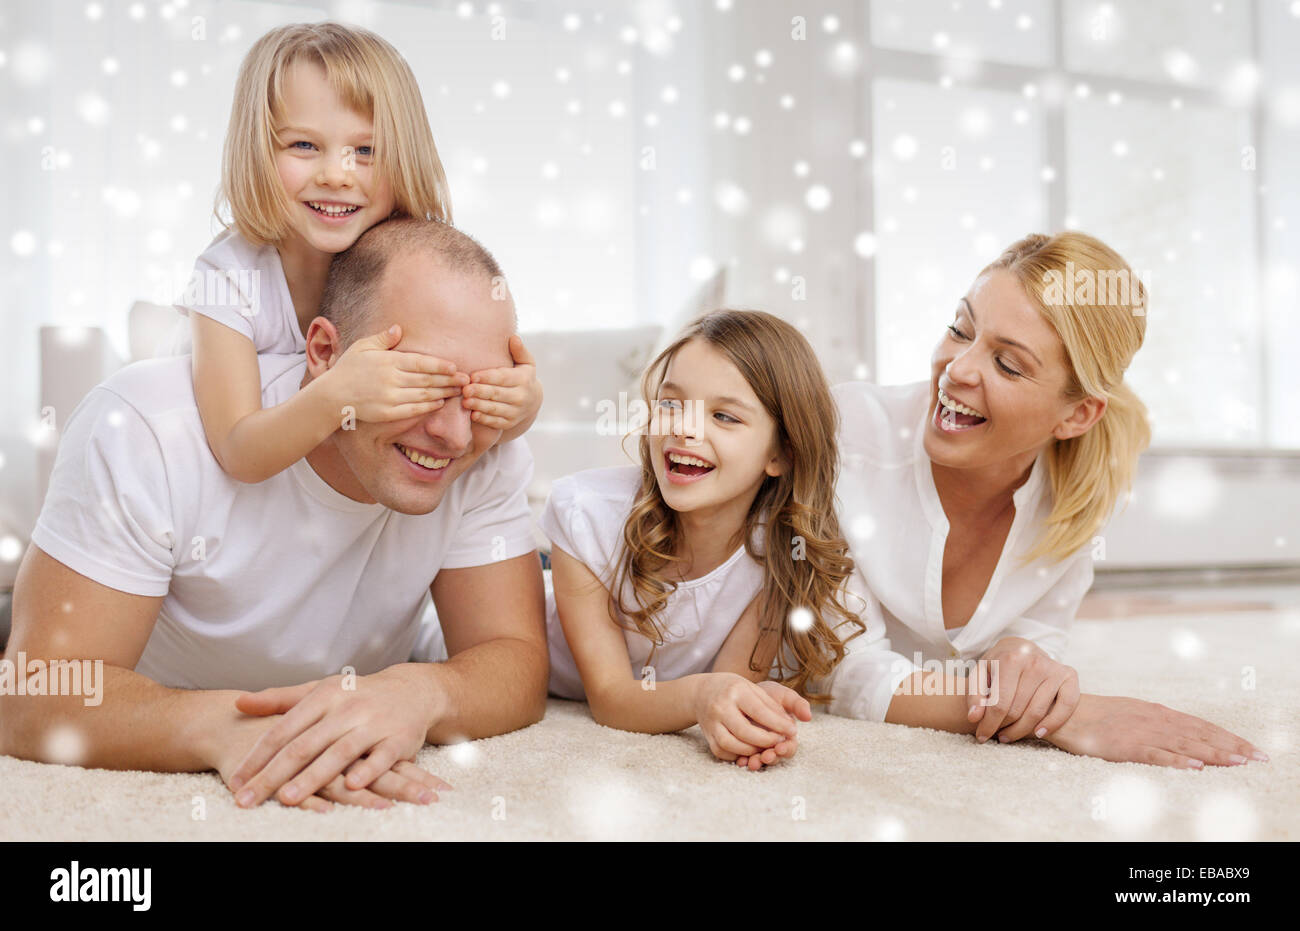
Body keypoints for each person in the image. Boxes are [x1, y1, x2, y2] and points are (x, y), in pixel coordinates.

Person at [0, 218, 550, 812]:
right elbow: (30, 694)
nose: (453, 431)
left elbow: (515, 658)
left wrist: (421, 692)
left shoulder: (485, 450)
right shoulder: (142, 426)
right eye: (418, 384)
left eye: (480, 395)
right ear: (323, 353)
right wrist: (218, 726)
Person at [824, 231, 1268, 770]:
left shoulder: (1077, 494)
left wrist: (1020, 654)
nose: (958, 369)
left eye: (1008, 365)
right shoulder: (848, 439)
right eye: (959, 330)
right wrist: (1064, 716)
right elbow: (837, 671)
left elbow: (1039, 634)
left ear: (1077, 415)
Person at [174, 22, 540, 484]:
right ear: (258, 151)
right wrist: (337, 395)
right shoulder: (228, 275)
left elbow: (461, 424)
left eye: (366, 150)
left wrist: (521, 409)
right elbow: (238, 451)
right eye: (304, 145)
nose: (336, 174)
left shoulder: (407, 266)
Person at [542, 310, 868, 770]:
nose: (684, 429)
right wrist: (704, 695)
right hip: (530, 643)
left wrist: (749, 709)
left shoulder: (780, 552)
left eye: (723, 416)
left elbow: (724, 685)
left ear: (781, 453)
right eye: (672, 404)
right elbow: (612, 699)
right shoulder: (586, 513)